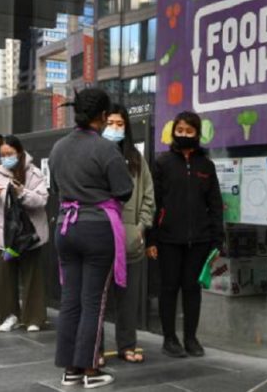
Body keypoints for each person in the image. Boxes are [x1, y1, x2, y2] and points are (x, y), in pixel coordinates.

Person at [49, 88, 133, 389]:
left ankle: (70, 368)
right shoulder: (106, 149)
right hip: (97, 228)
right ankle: (90, 370)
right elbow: (124, 190)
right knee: (93, 302)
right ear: (101, 116)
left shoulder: (58, 147)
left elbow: (55, 189)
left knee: (70, 299)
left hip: (65, 228)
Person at [146, 111, 224, 359]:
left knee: (192, 289)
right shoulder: (162, 163)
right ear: (173, 132)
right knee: (168, 289)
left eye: (189, 131)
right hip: (168, 239)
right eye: (180, 130)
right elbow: (154, 202)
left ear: (197, 134)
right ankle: (170, 339)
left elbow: (215, 204)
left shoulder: (206, 166)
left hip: (199, 240)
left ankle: (191, 338)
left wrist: (217, 240)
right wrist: (151, 238)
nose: (184, 135)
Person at [98, 104, 155, 364]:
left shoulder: (135, 158)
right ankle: (94, 349)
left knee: (128, 299)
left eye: (120, 124)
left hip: (130, 240)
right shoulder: (94, 153)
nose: (115, 128)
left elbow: (148, 197)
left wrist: (140, 228)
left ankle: (127, 345)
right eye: (110, 122)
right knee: (97, 298)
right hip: (99, 238)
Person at [0, 135, 49, 333]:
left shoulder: (34, 173)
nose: (6, 158)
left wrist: (22, 193)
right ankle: (9, 316)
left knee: (32, 276)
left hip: (29, 235)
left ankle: (33, 318)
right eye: (2, 154)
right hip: (6, 236)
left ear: (19, 152)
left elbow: (42, 200)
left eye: (9, 154)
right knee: (4, 278)